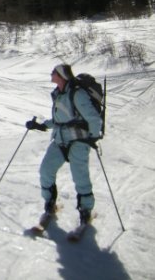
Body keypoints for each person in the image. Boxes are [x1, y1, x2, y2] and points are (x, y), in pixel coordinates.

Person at [26, 64, 103, 225]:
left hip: (79, 141)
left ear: (61, 75)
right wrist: (41, 125)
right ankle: (49, 203)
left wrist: (93, 137)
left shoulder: (77, 94)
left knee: (80, 177)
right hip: (60, 140)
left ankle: (85, 210)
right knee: (46, 170)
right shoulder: (59, 94)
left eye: (54, 72)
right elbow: (60, 119)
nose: (51, 73)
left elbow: (94, 118)